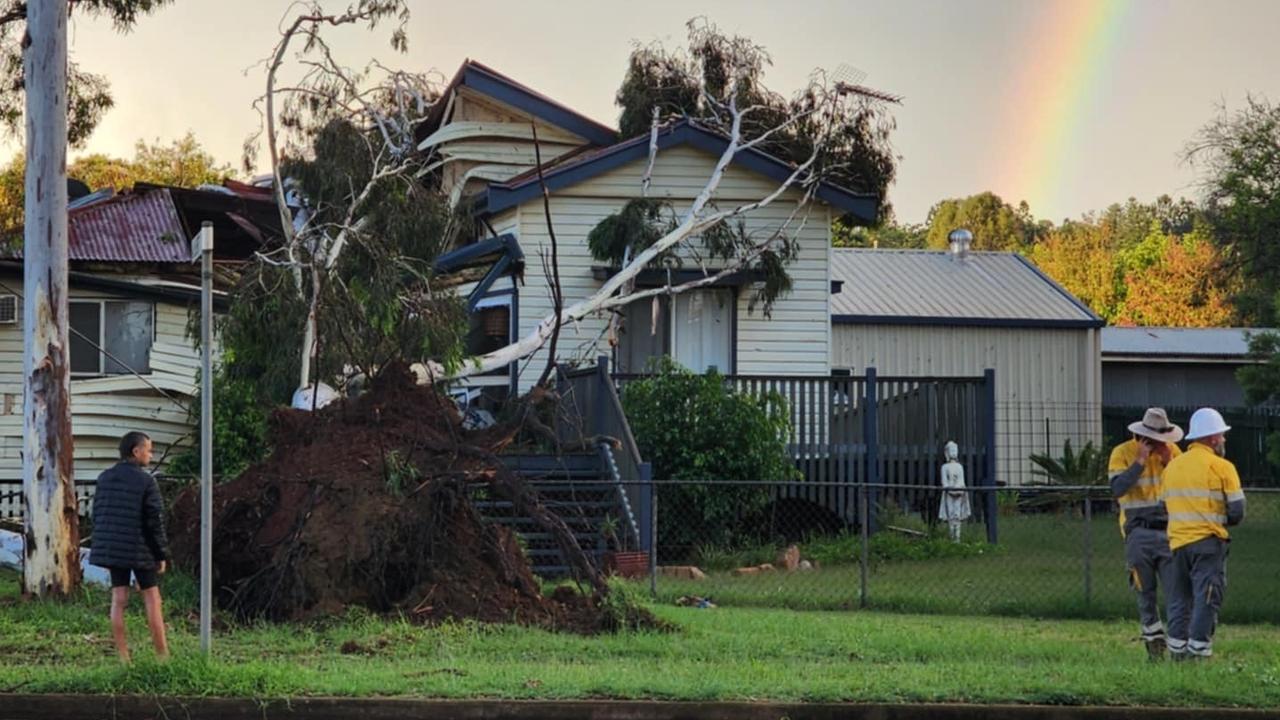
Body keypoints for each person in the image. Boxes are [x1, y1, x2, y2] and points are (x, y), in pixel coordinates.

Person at [1161, 408, 1245, 661]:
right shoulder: (1222, 467)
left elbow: (1162, 506)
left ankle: (1176, 654)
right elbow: (1237, 511)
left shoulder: (1172, 468)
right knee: (1207, 598)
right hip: (1208, 544)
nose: (1224, 440)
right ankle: (1198, 655)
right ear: (1212, 438)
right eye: (1222, 435)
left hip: (1177, 544)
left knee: (1179, 601)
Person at [1108, 407, 1183, 661]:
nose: (1159, 443)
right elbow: (1117, 489)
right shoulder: (1122, 453)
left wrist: (1169, 463)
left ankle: (1177, 647)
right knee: (1145, 592)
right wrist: (1139, 461)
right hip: (1137, 532)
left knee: (1176, 592)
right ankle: (1154, 646)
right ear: (1141, 436)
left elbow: (1184, 487)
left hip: (1170, 531)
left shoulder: (1173, 454)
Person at [88, 431, 170, 662]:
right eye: (149, 450)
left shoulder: (104, 477)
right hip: (140, 549)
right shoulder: (147, 481)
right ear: (136, 451)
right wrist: (161, 554)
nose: (151, 455)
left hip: (113, 548)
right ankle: (162, 656)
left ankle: (124, 658)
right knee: (152, 599)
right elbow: (154, 520)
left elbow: (98, 513)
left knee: (119, 599)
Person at [938, 441, 970, 542]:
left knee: (957, 514)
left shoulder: (960, 467)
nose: (954, 452)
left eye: (955, 450)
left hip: (959, 493)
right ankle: (952, 538)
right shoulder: (944, 467)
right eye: (951, 450)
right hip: (949, 493)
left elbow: (962, 481)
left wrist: (959, 488)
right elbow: (944, 482)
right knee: (951, 515)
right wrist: (950, 489)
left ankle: (957, 539)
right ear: (947, 452)